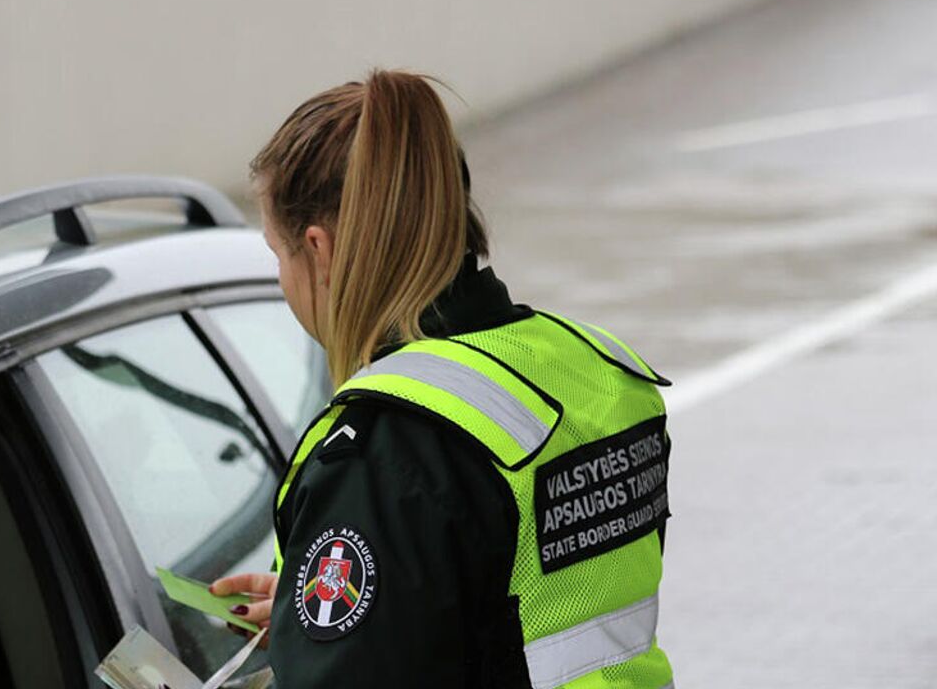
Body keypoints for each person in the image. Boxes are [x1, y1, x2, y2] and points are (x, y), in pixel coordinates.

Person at [211, 69, 675, 688]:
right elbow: (534, 605)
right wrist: (323, 623)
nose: (282, 279)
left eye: (279, 254)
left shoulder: (388, 451)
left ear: (319, 251)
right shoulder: (598, 369)